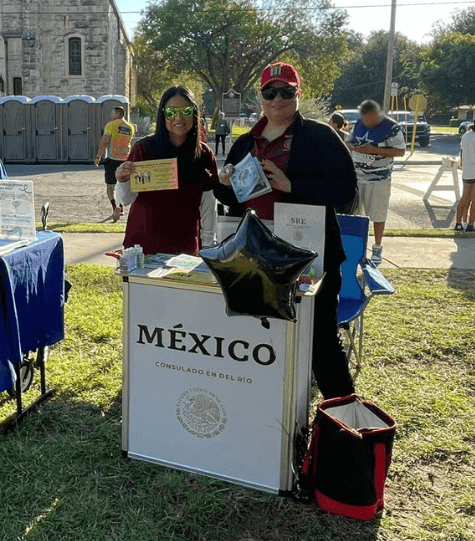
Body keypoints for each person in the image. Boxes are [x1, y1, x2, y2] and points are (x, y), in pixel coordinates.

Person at [213, 61, 358, 400]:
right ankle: (267, 405)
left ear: (298, 93)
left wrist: (293, 185)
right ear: (259, 97)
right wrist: (222, 185)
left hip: (311, 256)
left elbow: (348, 195)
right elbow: (231, 199)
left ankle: (345, 417)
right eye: (270, 92)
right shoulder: (246, 141)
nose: (277, 99)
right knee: (259, 337)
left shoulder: (321, 137)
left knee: (320, 339)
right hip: (256, 256)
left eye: (286, 91)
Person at [114, 86, 217, 255]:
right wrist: (122, 180)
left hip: (185, 251)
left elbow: (208, 206)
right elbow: (125, 200)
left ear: (194, 113)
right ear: (163, 114)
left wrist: (208, 248)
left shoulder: (204, 154)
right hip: (143, 248)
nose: (178, 117)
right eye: (171, 112)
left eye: (185, 110)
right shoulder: (143, 149)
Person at [348, 100, 405, 265]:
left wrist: (373, 150)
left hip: (379, 178)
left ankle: (377, 248)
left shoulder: (392, 127)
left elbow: (400, 151)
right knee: (356, 215)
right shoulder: (359, 123)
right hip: (357, 177)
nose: (366, 122)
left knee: (378, 215)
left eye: (369, 119)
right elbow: (350, 141)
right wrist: (353, 147)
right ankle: (356, 249)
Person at [94, 105, 136, 221]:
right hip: (125, 159)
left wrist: (98, 157)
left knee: (110, 187)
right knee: (122, 185)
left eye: (113, 113)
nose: (111, 116)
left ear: (118, 114)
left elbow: (104, 142)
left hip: (112, 159)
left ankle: (114, 208)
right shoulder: (130, 127)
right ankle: (121, 207)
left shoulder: (111, 125)